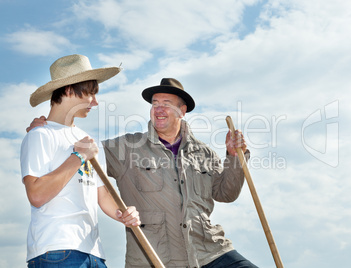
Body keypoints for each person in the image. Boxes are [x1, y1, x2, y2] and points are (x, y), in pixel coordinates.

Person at [27, 78, 257, 268]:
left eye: (166, 103)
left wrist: (234, 157)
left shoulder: (204, 152)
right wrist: (48, 127)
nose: (159, 108)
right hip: (153, 259)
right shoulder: (125, 147)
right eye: (155, 103)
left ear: (182, 111)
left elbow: (226, 193)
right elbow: (79, 150)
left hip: (208, 252)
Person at [20, 54, 141, 268]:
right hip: (57, 250)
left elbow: (102, 196)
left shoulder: (89, 143)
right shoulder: (40, 135)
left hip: (93, 253)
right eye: (90, 93)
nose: (95, 102)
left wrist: (124, 213)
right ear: (68, 90)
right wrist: (77, 157)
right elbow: (37, 195)